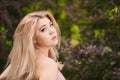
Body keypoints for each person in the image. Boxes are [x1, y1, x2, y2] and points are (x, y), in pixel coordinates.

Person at [0, 11, 65, 80]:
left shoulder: (21, 63)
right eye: (43, 29)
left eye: (51, 25)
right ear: (33, 38)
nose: (51, 31)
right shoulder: (48, 65)